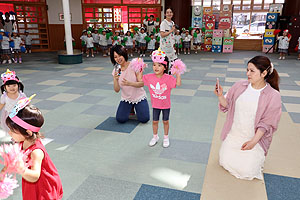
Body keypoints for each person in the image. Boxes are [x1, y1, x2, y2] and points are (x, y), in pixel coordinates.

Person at [215, 56, 282, 180]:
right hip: (234, 135)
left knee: (247, 170)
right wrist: (220, 96)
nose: (247, 74)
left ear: (264, 73)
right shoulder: (240, 85)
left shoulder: (273, 95)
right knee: (224, 160)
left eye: (252, 71)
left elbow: (266, 124)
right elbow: (227, 105)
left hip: (254, 138)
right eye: (247, 70)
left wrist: (253, 142)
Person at [2, 95, 63, 199]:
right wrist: (3, 173)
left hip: (43, 187)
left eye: (13, 130)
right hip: (29, 181)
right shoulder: (20, 143)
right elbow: (12, 162)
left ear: (28, 133)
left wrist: (22, 170)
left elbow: (35, 176)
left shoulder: (36, 151)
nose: (10, 133)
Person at [143, 48, 181, 148]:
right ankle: (155, 137)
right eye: (154, 65)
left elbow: (178, 83)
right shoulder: (149, 77)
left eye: (159, 65)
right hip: (155, 104)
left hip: (166, 105)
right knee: (155, 121)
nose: (156, 67)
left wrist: (178, 73)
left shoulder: (168, 78)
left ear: (165, 67)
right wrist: (139, 69)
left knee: (165, 121)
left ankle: (165, 137)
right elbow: (140, 80)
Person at [110, 45, 150, 123]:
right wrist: (115, 79)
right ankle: (130, 107)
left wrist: (130, 83)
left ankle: (136, 106)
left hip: (139, 97)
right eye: (115, 57)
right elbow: (117, 90)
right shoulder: (116, 70)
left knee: (144, 119)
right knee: (120, 119)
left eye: (120, 55)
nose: (118, 59)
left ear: (124, 54)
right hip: (126, 98)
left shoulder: (135, 65)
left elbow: (142, 83)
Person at [0, 69, 26, 141]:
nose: (12, 88)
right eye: (9, 86)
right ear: (5, 87)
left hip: (19, 115)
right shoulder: (4, 97)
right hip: (8, 116)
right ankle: (14, 138)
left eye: (14, 85)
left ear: (18, 85)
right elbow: (1, 106)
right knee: (10, 128)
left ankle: (18, 138)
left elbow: (26, 104)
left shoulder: (21, 95)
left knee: (19, 127)